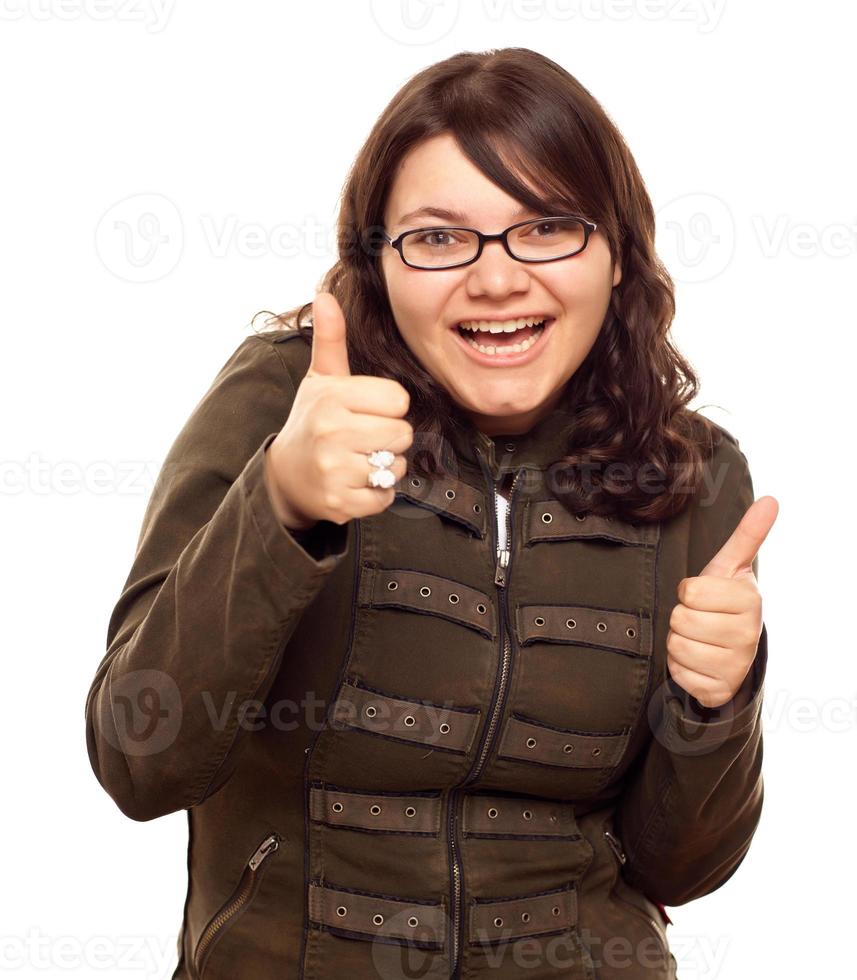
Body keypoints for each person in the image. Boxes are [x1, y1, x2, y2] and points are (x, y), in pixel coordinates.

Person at [85, 47, 776, 979]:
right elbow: (139, 761)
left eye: (547, 229)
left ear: (617, 255)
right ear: (376, 262)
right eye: (439, 238)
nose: (496, 280)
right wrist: (278, 505)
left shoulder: (691, 476)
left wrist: (717, 700)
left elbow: (679, 867)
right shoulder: (286, 406)